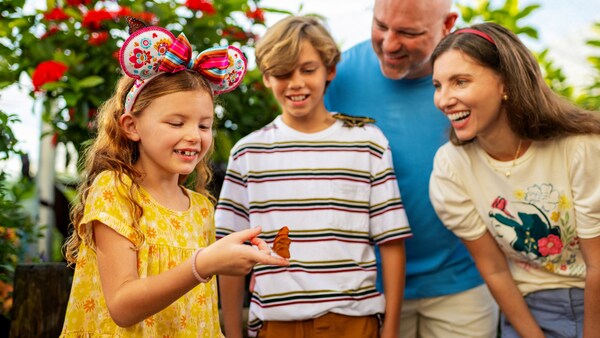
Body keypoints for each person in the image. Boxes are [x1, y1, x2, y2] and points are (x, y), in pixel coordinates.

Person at [60, 19, 288, 337]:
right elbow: (122, 306)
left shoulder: (202, 208)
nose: (194, 136)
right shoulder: (116, 191)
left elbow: (202, 314)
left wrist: (231, 257)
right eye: (176, 123)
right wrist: (204, 264)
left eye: (204, 125)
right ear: (132, 126)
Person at [215, 15, 412, 338]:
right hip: (276, 324)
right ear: (265, 77)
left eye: (308, 70)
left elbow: (391, 242)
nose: (296, 83)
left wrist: (390, 331)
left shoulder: (368, 143)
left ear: (329, 70)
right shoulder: (247, 153)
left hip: (355, 322)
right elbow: (230, 252)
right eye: (282, 72)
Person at [324, 0, 498, 337]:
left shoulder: (478, 74)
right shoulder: (340, 76)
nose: (389, 44)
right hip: (367, 284)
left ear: (447, 24)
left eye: (408, 32)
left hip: (462, 280)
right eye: (380, 25)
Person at [429, 22, 600, 338]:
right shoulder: (451, 167)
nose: (444, 99)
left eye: (460, 82)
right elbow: (494, 270)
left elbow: (598, 265)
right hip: (530, 308)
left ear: (505, 83)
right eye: (438, 85)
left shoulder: (582, 149)